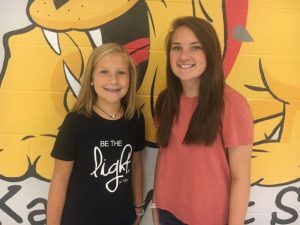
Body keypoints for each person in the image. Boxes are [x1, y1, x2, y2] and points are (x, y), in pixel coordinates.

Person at [152, 16, 253, 225]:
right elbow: (165, 157)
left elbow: (241, 178)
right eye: (176, 47)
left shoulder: (232, 104)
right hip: (167, 213)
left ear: (210, 53)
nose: (184, 56)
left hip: (210, 218)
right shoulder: (165, 101)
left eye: (195, 47)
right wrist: (155, 204)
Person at [47, 43, 145, 225]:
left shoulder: (135, 119)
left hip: (122, 219)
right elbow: (60, 179)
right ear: (91, 78)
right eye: (104, 72)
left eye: (121, 73)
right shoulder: (75, 122)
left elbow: (136, 165)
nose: (113, 80)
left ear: (130, 79)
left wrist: (139, 207)